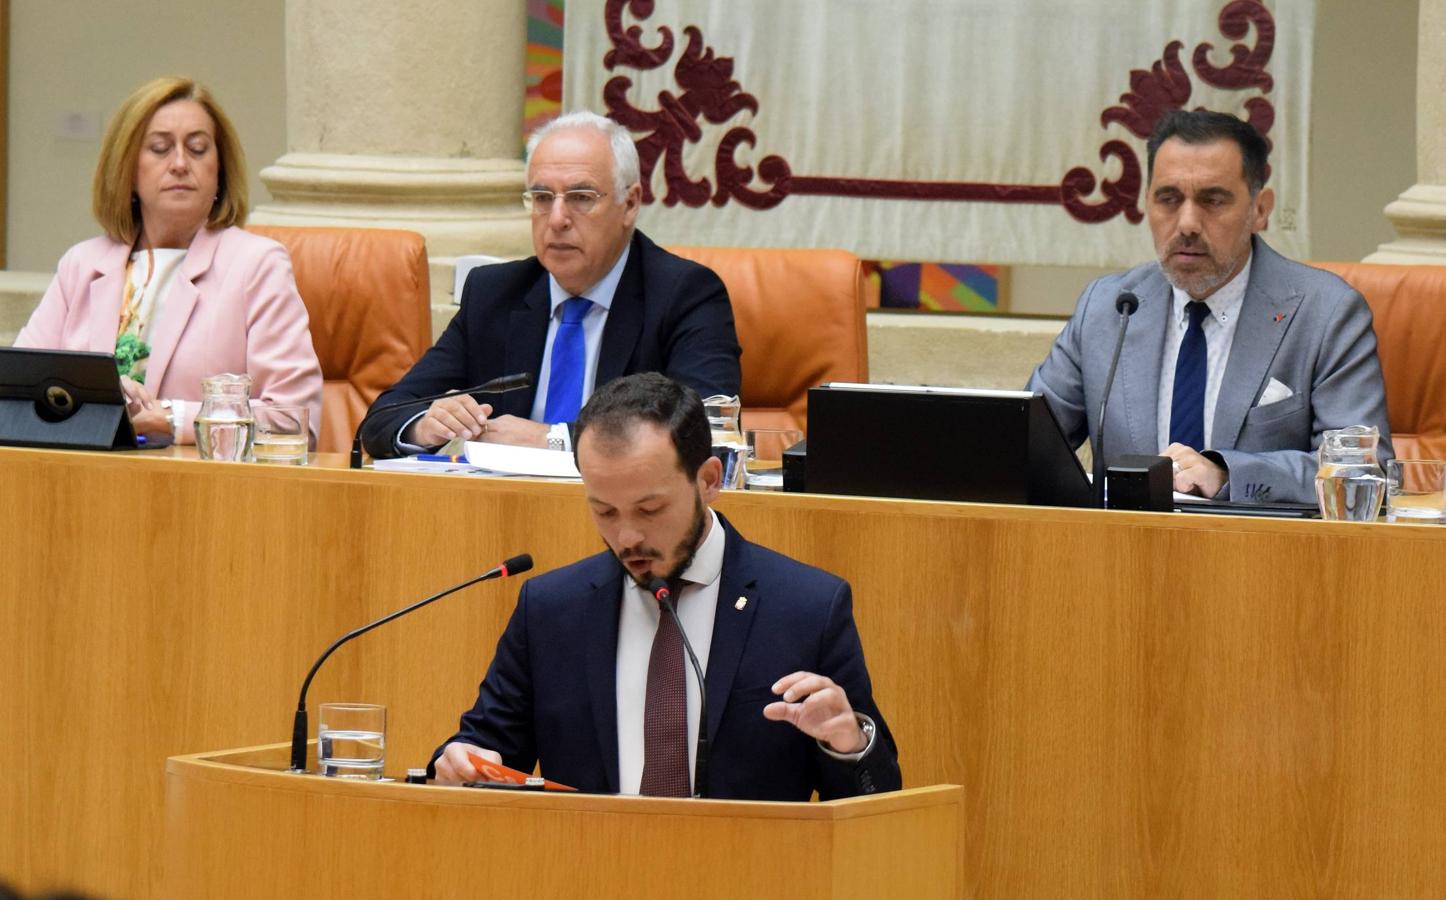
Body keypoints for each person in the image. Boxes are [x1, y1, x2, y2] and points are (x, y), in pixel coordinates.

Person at [430, 373, 900, 800]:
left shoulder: (805, 608)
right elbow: (484, 750)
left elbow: (875, 802)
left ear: (709, 480)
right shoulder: (552, 609)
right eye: (605, 511)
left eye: (649, 510)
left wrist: (847, 743)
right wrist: (457, 763)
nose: (627, 536)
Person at [1027, 109, 1390, 504]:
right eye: (1168, 199)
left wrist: (1227, 474)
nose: (1187, 223)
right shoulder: (1109, 309)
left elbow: (1362, 472)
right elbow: (1022, 447)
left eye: (1212, 200)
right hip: (1124, 553)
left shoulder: (1327, 313)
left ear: (1260, 209)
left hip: (1261, 555)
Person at [361, 112, 741, 459]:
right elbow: (382, 419)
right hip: (506, 514)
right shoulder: (495, 293)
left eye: (580, 197)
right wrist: (427, 425)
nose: (557, 219)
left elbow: (705, 431)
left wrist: (552, 439)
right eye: (542, 198)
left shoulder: (685, 294)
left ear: (630, 203)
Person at [14, 77, 322, 446]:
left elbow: (292, 419)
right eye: (160, 148)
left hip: (195, 489)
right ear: (127, 170)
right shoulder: (81, 265)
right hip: (84, 480)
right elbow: (17, 395)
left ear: (220, 171)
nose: (179, 163)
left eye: (197, 149)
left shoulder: (256, 265)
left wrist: (174, 417)